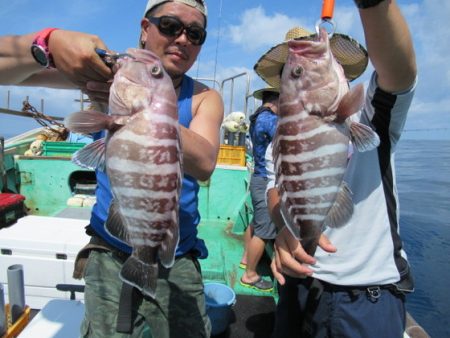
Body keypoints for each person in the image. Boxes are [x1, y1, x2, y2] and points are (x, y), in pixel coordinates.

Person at [1, 0, 224, 337]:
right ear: (144, 28)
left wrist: (145, 110)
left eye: (195, 33)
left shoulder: (204, 96)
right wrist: (47, 44)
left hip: (174, 251)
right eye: (169, 26)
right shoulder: (106, 74)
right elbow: (9, 70)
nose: (182, 39)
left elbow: (205, 162)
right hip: (107, 248)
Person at [254, 0, 417, 337]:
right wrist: (283, 228)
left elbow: (401, 74)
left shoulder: (373, 115)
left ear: (342, 71)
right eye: (293, 71)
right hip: (298, 283)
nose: (299, 64)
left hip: (365, 295)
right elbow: (274, 187)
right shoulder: (282, 136)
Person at [239, 87, 279, 292]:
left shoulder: (257, 118)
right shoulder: (270, 120)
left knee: (256, 223)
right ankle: (250, 275)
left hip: (257, 178)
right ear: (275, 101)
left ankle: (247, 258)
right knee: (264, 231)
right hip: (265, 180)